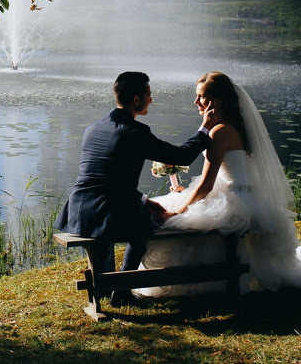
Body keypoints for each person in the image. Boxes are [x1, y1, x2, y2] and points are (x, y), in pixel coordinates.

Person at [135, 72, 301, 297]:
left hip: (230, 200)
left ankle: (180, 277)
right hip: (243, 196)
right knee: (170, 207)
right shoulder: (234, 126)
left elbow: (207, 185)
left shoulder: (218, 132)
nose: (196, 102)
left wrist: (178, 211)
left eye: (201, 97)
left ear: (216, 101)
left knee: (169, 217)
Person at [55, 71, 210, 307]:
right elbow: (182, 156)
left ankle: (108, 287)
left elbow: (107, 181)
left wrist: (144, 201)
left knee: (125, 221)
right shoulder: (135, 133)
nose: (151, 99)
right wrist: (204, 129)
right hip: (105, 213)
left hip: (77, 211)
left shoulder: (93, 129)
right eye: (148, 94)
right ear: (136, 100)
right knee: (147, 227)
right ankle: (122, 289)